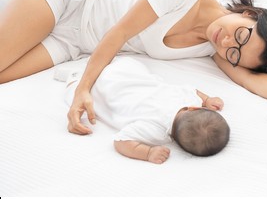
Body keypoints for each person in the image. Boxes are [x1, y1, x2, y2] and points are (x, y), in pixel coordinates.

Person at [0, 0, 267, 134]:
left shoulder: (215, 50)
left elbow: (253, 81)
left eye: (235, 54)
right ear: (251, 14)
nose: (227, 44)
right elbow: (117, 35)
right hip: (67, 0)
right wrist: (83, 90)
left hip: (73, 45)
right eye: (243, 36)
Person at [64, 57, 230, 164]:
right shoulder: (155, 132)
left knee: (133, 67)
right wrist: (148, 152)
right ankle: (72, 78)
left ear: (193, 108)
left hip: (123, 70)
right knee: (74, 92)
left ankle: (89, 67)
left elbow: (194, 91)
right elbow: (122, 142)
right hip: (102, 91)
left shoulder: (186, 100)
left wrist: (207, 99)